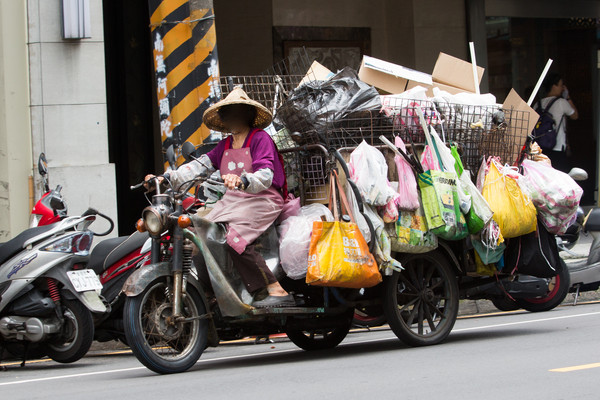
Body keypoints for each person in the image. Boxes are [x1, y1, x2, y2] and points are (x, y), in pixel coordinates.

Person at [146, 88, 295, 308]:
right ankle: (210, 291)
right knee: (198, 234)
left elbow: (266, 175)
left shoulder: (259, 138)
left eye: (237, 113)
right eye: (228, 114)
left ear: (247, 115)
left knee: (232, 237)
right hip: (235, 199)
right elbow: (199, 167)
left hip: (263, 198)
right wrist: (166, 178)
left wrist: (243, 180)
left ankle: (273, 288)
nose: (232, 118)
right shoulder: (224, 145)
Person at [537, 73, 579, 172]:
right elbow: (575, 116)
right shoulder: (561, 102)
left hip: (541, 150)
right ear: (553, 86)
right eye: (560, 85)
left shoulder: (537, 104)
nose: (562, 88)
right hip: (558, 148)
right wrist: (567, 97)